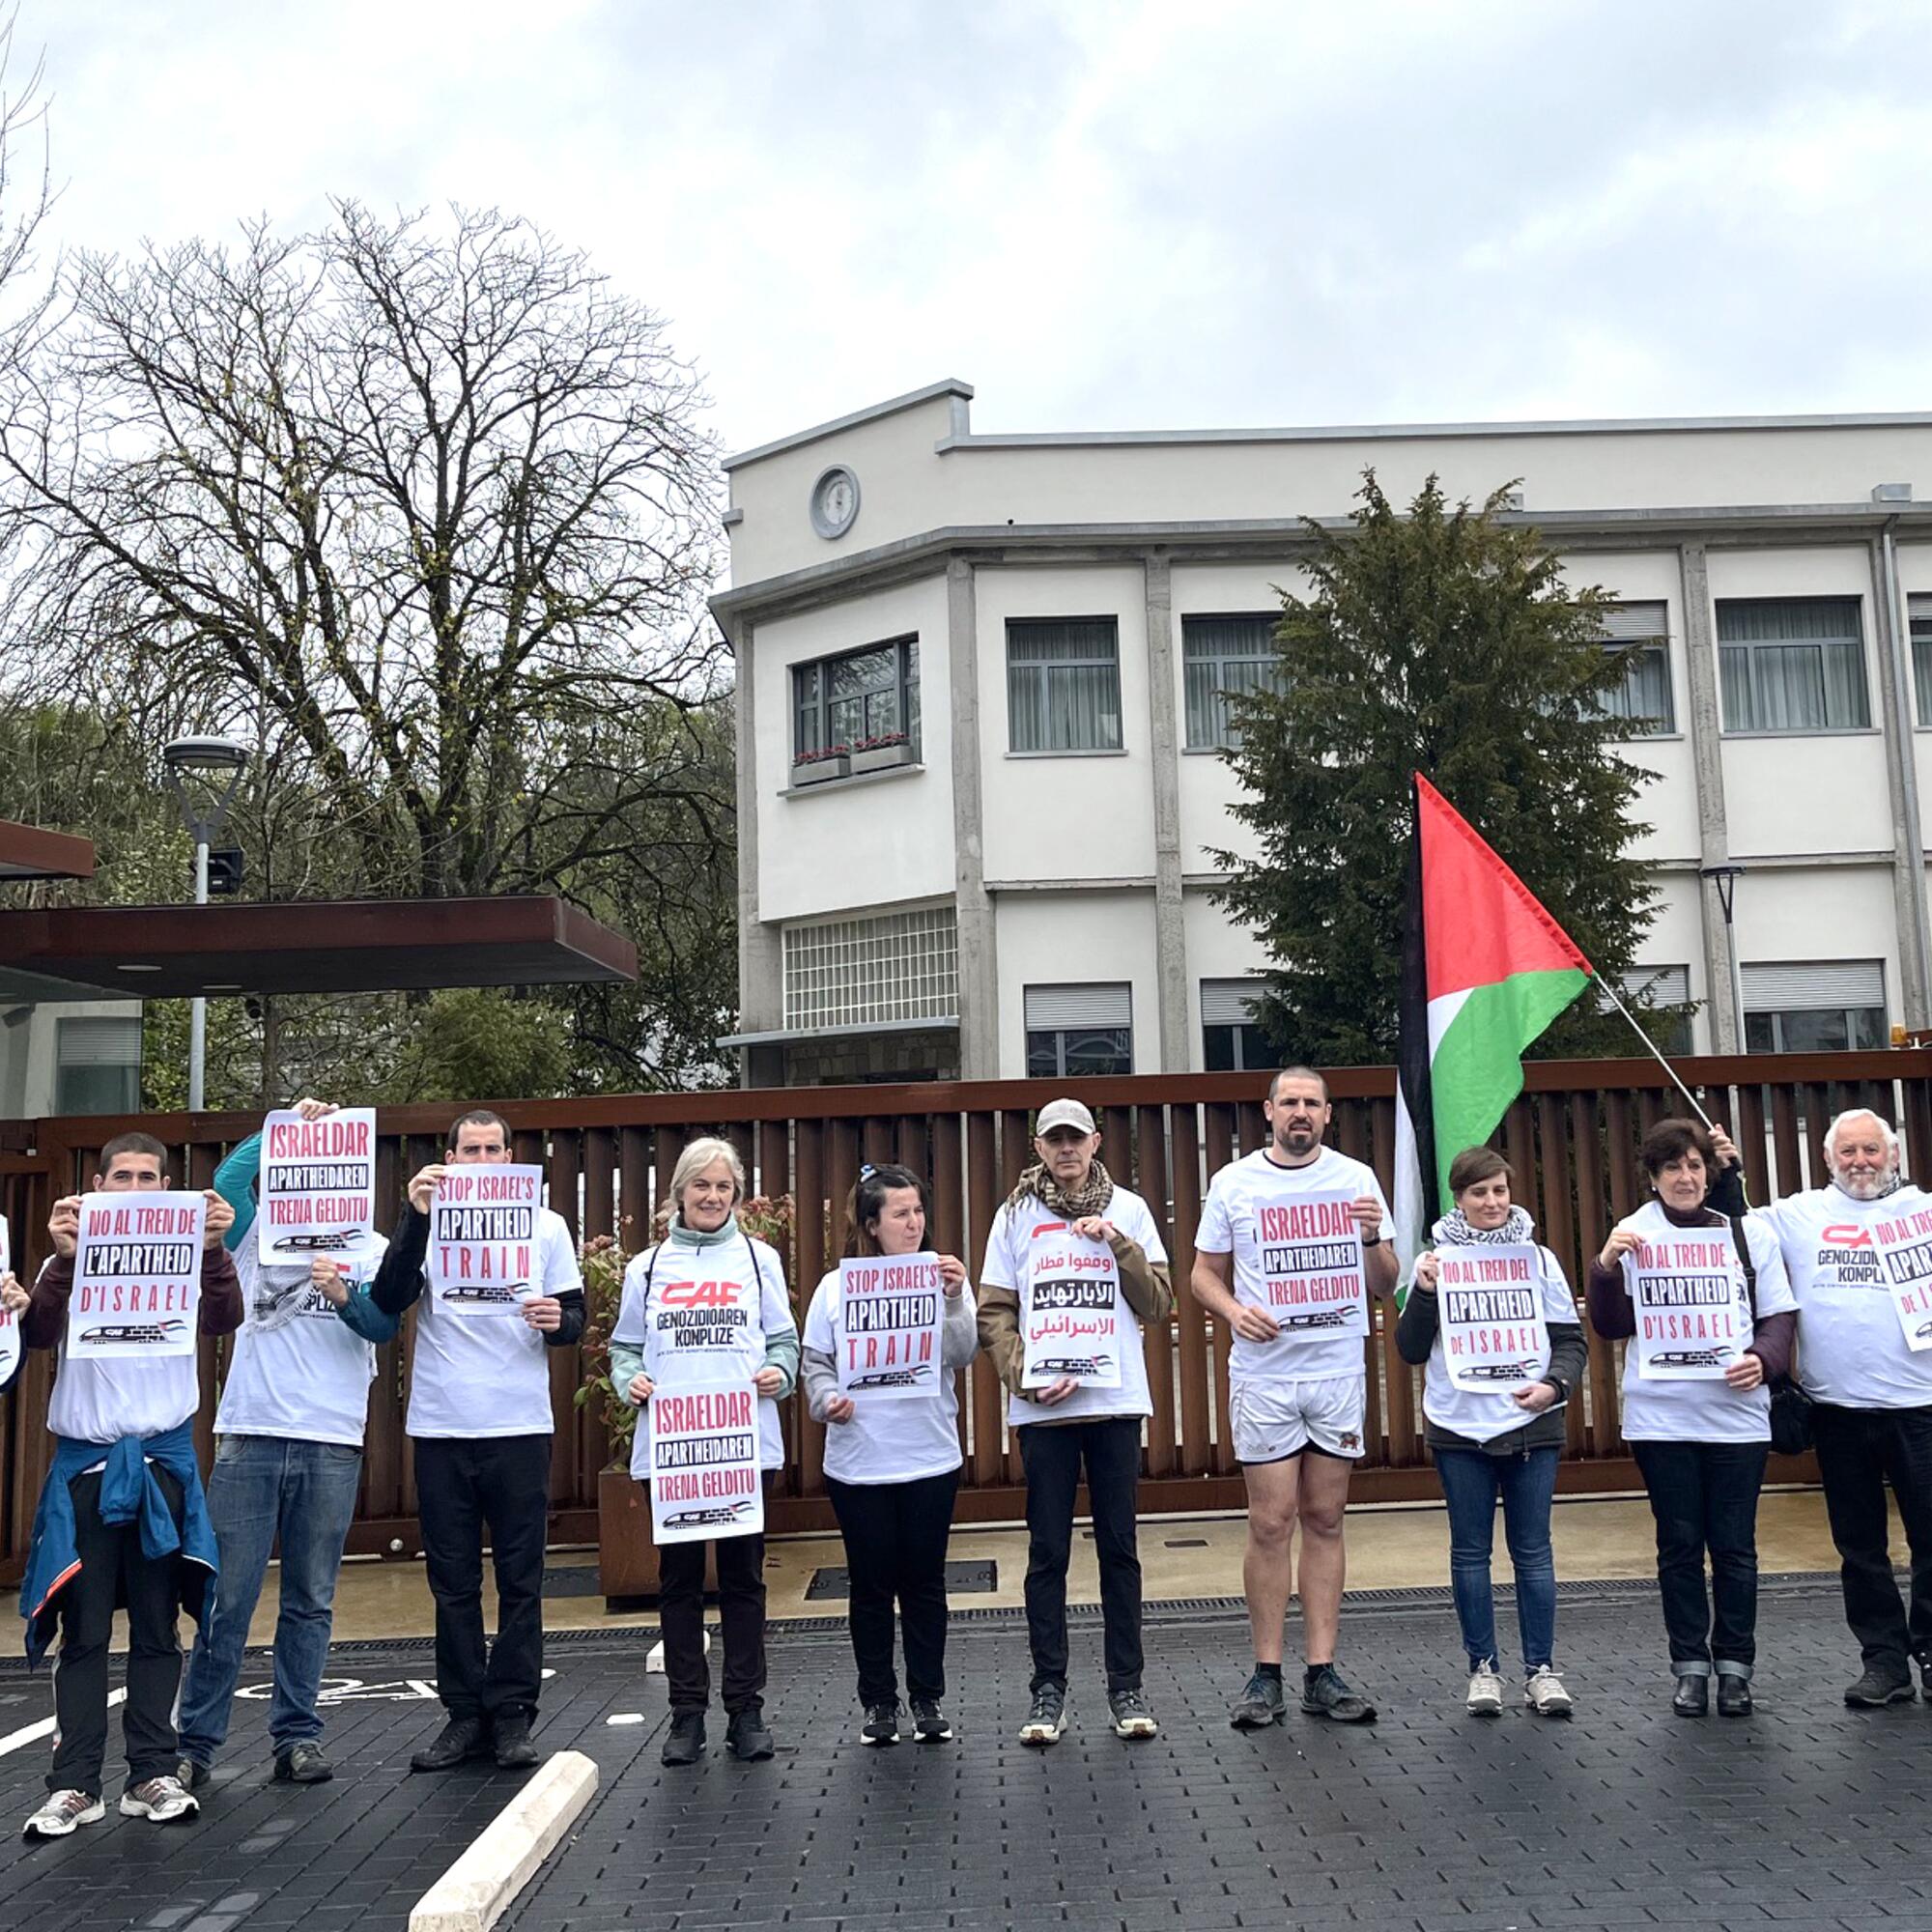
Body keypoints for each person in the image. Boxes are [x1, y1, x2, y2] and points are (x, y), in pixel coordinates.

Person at [17, 1132, 241, 1838]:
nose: (137, 1188)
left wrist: (210, 1248)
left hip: (162, 1470)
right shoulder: (71, 1257)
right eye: (124, 1177)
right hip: (85, 1468)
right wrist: (59, 1257)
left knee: (156, 1627)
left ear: (167, 1186)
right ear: (97, 1185)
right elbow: (39, 1335)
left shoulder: (188, 1258)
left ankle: (152, 1773)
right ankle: (75, 1785)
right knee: (82, 1634)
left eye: (151, 1177)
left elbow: (224, 1319)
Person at [175, 1098, 399, 1789]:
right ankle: (196, 1745)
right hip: (249, 1433)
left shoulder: (372, 1246)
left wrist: (342, 1294)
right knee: (225, 1600)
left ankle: (297, 1736)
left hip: (331, 1440)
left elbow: (382, 1327)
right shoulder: (255, 1231)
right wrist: (283, 1125)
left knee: (311, 1599)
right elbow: (229, 1181)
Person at [370, 1108, 585, 1773]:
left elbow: (573, 1316)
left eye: (495, 1149)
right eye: (472, 1149)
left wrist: (557, 1320)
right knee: (452, 1581)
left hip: (518, 1424)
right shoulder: (428, 1223)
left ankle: (514, 1714)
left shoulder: (546, 1224)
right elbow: (387, 1297)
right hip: (442, 1423)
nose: (484, 1160)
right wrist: (415, 1216)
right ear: (451, 1157)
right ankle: (465, 1715)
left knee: (523, 1580)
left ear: (511, 1156)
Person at [1189, 1066, 1397, 1727]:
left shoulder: (1356, 1178)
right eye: (1290, 1103)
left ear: (1328, 1115)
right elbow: (1201, 1273)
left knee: (1327, 1517)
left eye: (1312, 1103)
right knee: (1270, 1520)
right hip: (1266, 1375)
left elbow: (1385, 1281)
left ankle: (1323, 1670)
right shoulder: (1234, 1182)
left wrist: (1369, 1237)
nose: (1300, 1113)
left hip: (1335, 1370)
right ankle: (1266, 1672)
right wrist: (1232, 1310)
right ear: (1268, 1111)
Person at [978, 1097, 1173, 1747]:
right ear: (1038, 1146)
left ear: (1094, 1143)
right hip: (1046, 1413)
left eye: (1075, 1139)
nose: (1065, 1150)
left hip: (1115, 1404)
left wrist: (1117, 1243)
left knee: (1120, 1549)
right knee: (1047, 1554)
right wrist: (1026, 1376)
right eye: (1053, 1140)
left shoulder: (1131, 1210)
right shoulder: (1013, 1216)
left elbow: (1159, 1302)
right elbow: (994, 1313)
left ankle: (1127, 1686)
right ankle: (1048, 1690)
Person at [1587, 1116, 1794, 1716]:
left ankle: (1735, 1667)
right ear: (1653, 1177)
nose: (1685, 1176)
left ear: (1710, 1172)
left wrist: (1764, 1358)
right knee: (1679, 1544)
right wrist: (1604, 1266)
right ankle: (1690, 1667)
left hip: (1737, 1419)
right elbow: (1611, 1324)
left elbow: (1778, 1315)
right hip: (1662, 1420)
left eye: (1695, 1165)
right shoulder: (1633, 1231)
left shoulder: (1747, 1233)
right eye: (1672, 1166)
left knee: (1734, 1546)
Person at [611, 1137, 799, 1767]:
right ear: (680, 1193)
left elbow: (784, 1341)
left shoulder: (758, 1259)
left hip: (744, 1446)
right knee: (680, 1582)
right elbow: (624, 1349)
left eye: (724, 1187)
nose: (713, 1197)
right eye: (702, 1186)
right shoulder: (648, 1266)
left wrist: (779, 1371)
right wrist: (626, 1380)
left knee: (745, 1580)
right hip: (672, 1449)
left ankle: (746, 1711)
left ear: (736, 1194)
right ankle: (686, 1715)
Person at [1397, 1147, 1588, 1718]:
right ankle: (1483, 1669)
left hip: (1532, 1425)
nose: (1492, 1202)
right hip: (1460, 1430)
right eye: (1479, 1192)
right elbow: (1409, 1349)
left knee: (1534, 1553)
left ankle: (1541, 1670)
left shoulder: (1539, 1259)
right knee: (1470, 1553)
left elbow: (1571, 1341)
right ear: (1459, 1197)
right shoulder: (1434, 1261)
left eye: (1500, 1191)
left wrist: (1555, 1387)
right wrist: (1425, 1294)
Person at [1757, 1108, 1932, 1706]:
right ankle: (1884, 1663)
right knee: (1860, 1548)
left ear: (1895, 1156)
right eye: (1848, 1152)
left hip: (1921, 1409)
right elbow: (1731, 1232)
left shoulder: (1926, 1214)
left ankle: (1931, 1650)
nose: (1860, 1162)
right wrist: (1726, 1173)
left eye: (1871, 1151)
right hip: (1838, 1411)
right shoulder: (1800, 1214)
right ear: (1828, 1160)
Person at [801, 1163, 977, 1745]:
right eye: (900, 1214)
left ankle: (927, 1698)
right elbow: (816, 1364)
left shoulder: (943, 1276)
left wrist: (953, 1300)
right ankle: (879, 1703)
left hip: (929, 1456)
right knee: (871, 1585)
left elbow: (961, 1354)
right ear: (872, 1224)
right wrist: (828, 1400)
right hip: (860, 1462)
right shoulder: (836, 1287)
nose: (914, 1223)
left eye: (919, 1211)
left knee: (925, 1581)